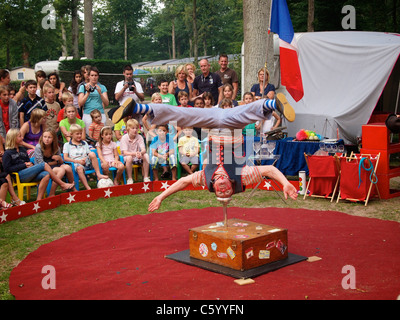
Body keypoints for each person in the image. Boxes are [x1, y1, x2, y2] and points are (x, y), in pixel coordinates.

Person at [3, 129, 74, 200]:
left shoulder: (22, 150)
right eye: (19, 136)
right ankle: (62, 184)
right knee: (44, 165)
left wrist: (30, 164)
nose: (22, 138)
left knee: (46, 174)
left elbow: (28, 161)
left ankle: (39, 200)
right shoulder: (7, 153)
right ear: (13, 138)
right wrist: (24, 165)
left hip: (29, 172)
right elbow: (7, 169)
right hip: (19, 176)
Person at [63, 124, 108, 190]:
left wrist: (85, 158)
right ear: (72, 134)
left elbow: (89, 153)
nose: (79, 135)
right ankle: (88, 188)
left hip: (86, 162)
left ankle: (98, 174)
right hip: (76, 163)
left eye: (80, 134)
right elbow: (65, 158)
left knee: (92, 153)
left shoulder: (84, 143)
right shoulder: (67, 145)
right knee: (79, 168)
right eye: (77, 134)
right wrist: (78, 161)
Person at [33, 129, 77, 196]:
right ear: (42, 138)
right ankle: (52, 192)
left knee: (67, 167)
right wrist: (53, 163)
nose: (47, 139)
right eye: (45, 137)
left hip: (54, 167)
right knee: (61, 170)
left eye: (49, 137)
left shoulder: (56, 147)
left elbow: (61, 162)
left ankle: (72, 188)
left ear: (53, 139)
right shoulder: (39, 147)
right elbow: (41, 164)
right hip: (43, 169)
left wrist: (59, 158)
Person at [78, 66, 109, 135]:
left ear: (98, 76)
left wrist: (100, 93)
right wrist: (88, 92)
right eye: (92, 75)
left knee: (101, 135)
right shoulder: (83, 87)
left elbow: (106, 103)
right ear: (88, 76)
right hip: (88, 113)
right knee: (89, 136)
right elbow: (80, 103)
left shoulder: (102, 87)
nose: (94, 77)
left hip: (100, 114)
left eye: (96, 75)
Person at [120, 119, 151, 184]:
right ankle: (130, 178)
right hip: (127, 157)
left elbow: (143, 149)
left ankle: (146, 177)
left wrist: (140, 153)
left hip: (137, 156)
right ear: (128, 129)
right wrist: (135, 153)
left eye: (136, 128)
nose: (135, 130)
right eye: (133, 128)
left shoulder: (139, 137)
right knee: (129, 157)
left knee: (146, 155)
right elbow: (125, 152)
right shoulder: (124, 138)